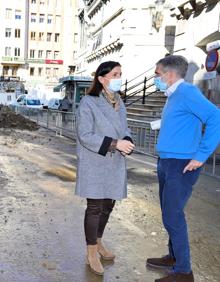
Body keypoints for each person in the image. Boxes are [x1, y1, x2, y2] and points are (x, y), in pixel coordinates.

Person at [146, 55, 220, 282]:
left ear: (169, 74)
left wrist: (201, 155)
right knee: (169, 213)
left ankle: (184, 272)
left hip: (181, 164)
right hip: (168, 161)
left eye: (157, 74)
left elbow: (216, 116)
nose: (154, 78)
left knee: (173, 216)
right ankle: (174, 256)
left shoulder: (187, 92)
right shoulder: (173, 95)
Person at [75, 61, 135, 276]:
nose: (119, 77)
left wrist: (127, 139)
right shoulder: (88, 102)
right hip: (95, 161)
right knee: (95, 207)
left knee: (108, 204)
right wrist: (115, 144)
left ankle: (98, 241)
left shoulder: (119, 101)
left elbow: (125, 127)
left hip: (115, 161)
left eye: (121, 73)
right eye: (115, 74)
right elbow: (85, 135)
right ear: (102, 79)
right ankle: (91, 252)